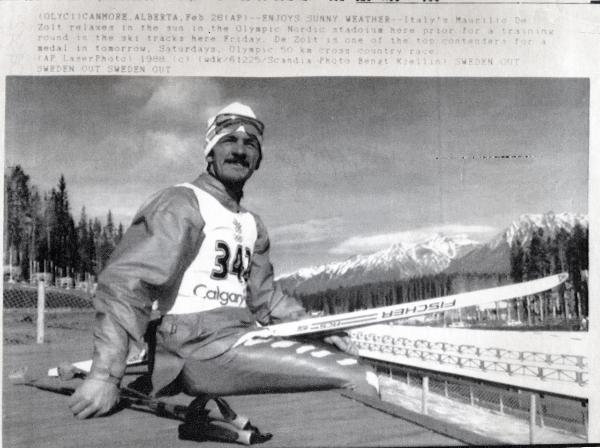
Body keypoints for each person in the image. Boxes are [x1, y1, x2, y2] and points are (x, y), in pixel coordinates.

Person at [68, 102, 379, 424]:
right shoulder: (182, 202)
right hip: (196, 344)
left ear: (258, 159)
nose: (240, 151)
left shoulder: (250, 223)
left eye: (250, 145)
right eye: (229, 141)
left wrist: (314, 327)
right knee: (359, 375)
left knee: (342, 357)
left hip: (238, 336)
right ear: (210, 152)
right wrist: (105, 376)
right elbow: (128, 283)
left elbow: (264, 298)